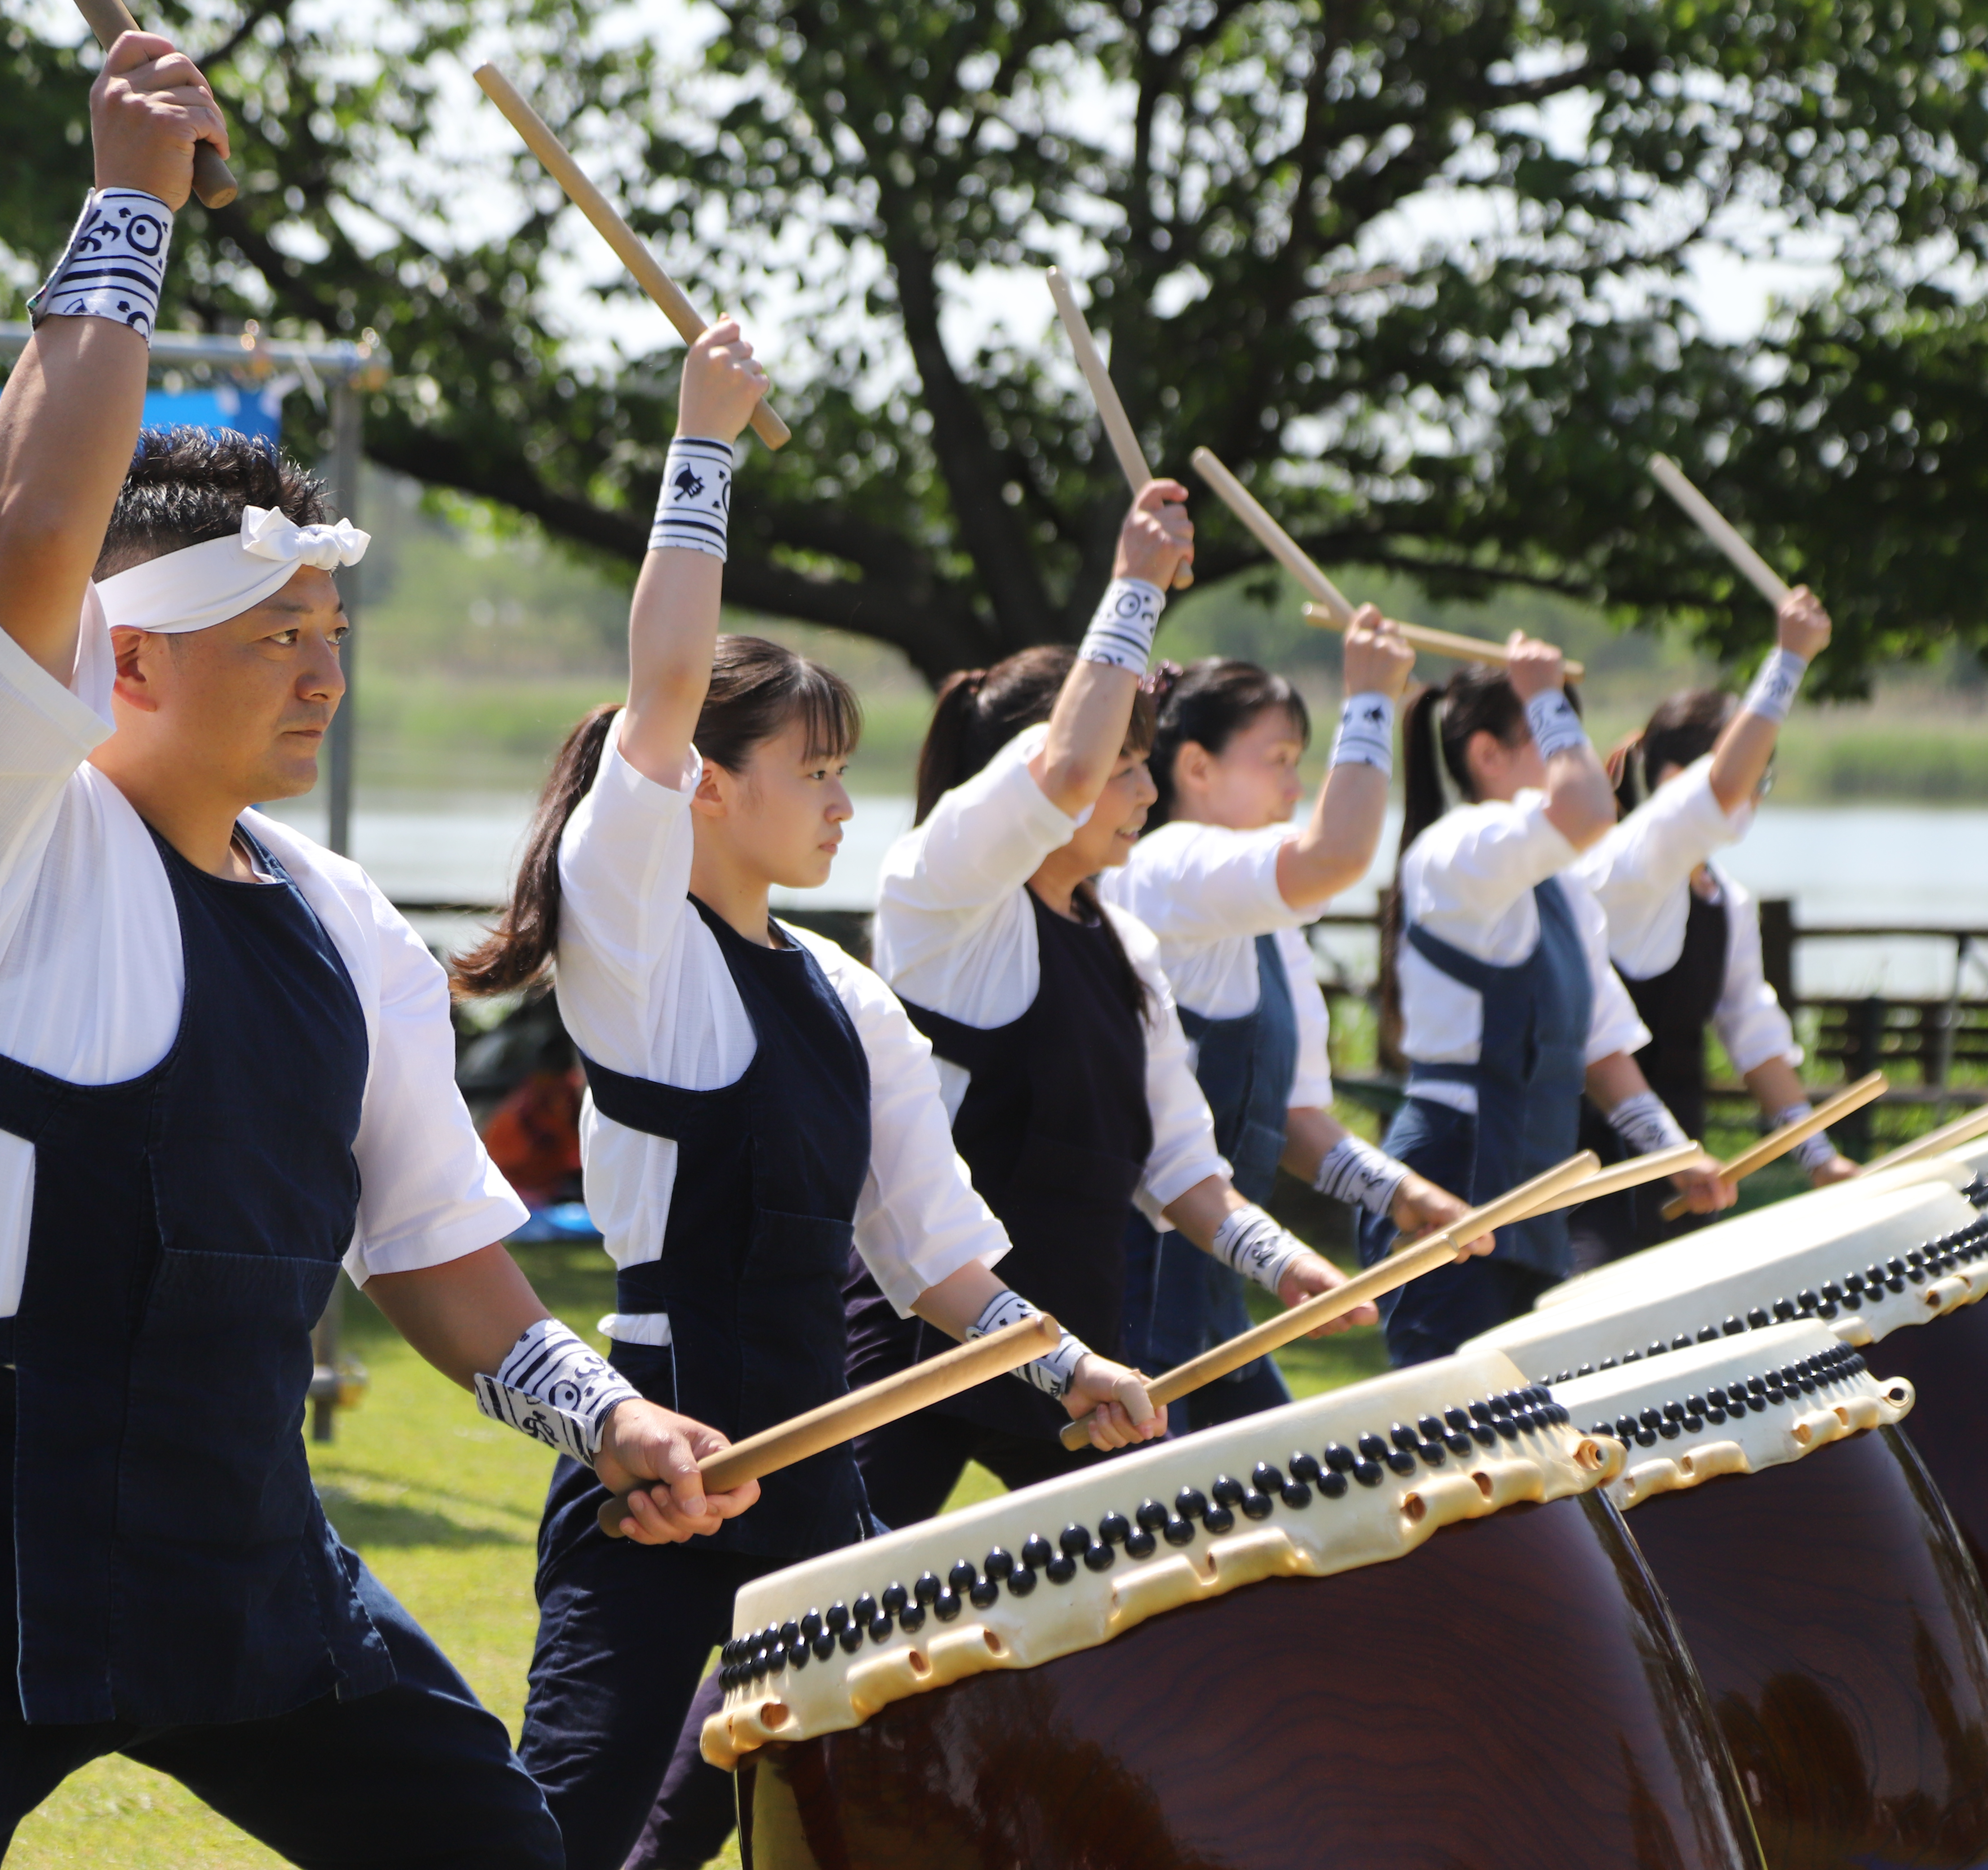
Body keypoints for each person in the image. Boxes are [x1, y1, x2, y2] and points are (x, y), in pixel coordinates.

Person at [0, 35, 732, 1867]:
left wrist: (602, 1411)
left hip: (242, 1522)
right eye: (271, 628)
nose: (324, 666)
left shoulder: (347, 926)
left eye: (330, 623)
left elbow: (441, 1251)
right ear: (124, 659)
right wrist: (130, 201)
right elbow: (41, 525)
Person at [449, 321, 1161, 1870]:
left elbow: (945, 1271)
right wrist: (700, 444)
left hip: (819, 1506)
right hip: (658, 1487)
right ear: (710, 783)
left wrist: (1071, 1372)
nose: (845, 803)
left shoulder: (849, 1002)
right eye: (815, 770)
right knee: (563, 1840)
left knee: (897, 1820)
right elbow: (663, 685)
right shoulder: (639, 954)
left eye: (850, 772)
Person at [852, 485, 1374, 1523]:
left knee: (1154, 1600)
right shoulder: (939, 900)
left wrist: (1289, 1266)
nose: (1141, 791)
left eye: (1144, 765)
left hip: (1070, 1355)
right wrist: (1134, 587)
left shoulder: (1123, 941)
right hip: (917, 1347)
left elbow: (1180, 1165)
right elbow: (1064, 764)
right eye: (1128, 766)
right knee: (816, 1624)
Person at [1107, 638, 1490, 1430]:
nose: (1296, 784)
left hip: (1217, 1296)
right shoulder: (1169, 865)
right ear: (1197, 769)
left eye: (1300, 760)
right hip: (1135, 1298)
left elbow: (1297, 1126)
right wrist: (1372, 699)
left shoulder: (1269, 922)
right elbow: (1337, 852)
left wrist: (1404, 1195)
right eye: (1277, 759)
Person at [1364, 638, 1736, 1366]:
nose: (1577, 758)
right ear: (1487, 756)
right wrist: (1543, 689)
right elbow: (1590, 807)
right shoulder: (1456, 846)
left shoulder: (1563, 888)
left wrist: (1674, 1154)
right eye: (1550, 736)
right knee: (1450, 1436)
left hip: (1531, 1188)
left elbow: (1603, 1048)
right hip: (1450, 1170)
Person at [1570, 588, 1856, 1266]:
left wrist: (1820, 1158)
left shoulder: (1727, 901)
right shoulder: (1625, 866)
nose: (1757, 786)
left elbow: (1752, 1032)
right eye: (1757, 767)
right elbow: (1720, 788)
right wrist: (1788, 660)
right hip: (1586, 1184)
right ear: (1677, 779)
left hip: (1685, 1183)